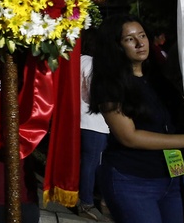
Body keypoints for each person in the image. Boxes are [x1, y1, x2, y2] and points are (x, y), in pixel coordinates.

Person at [88, 14, 184, 223]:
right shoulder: (110, 84)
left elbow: (182, 120)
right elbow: (128, 136)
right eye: (130, 39)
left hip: (174, 177)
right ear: (116, 46)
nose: (140, 43)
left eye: (142, 35)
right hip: (132, 180)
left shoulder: (159, 79)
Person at [76, 28, 111, 221]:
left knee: (87, 162)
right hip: (94, 121)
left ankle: (89, 198)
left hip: (80, 119)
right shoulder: (91, 63)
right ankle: (86, 201)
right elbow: (93, 90)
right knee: (92, 163)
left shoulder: (78, 60)